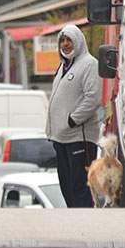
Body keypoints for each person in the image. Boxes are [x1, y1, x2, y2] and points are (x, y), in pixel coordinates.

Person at [47, 25, 101, 208]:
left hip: (79, 137)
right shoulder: (63, 66)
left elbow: (93, 98)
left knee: (80, 187)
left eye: (69, 40)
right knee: (66, 187)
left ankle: (83, 226)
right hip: (61, 138)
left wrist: (73, 120)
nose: (65, 44)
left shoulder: (89, 64)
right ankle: (73, 223)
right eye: (62, 40)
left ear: (78, 41)